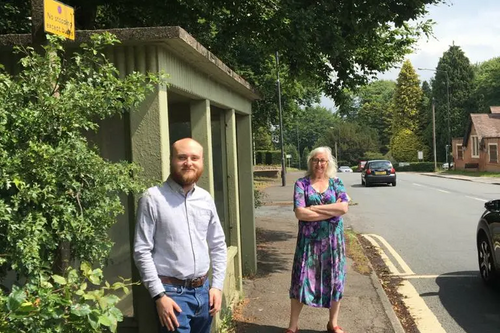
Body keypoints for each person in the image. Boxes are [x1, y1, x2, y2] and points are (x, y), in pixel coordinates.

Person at [133, 138, 227, 333]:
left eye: (195, 158)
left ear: (202, 162)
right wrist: (159, 296)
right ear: (171, 160)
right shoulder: (152, 199)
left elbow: (218, 245)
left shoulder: (205, 199)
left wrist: (217, 286)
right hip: (172, 296)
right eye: (182, 157)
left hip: (204, 293)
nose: (189, 163)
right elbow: (142, 251)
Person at [285, 146, 349, 333]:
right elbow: (299, 212)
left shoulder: (337, 183)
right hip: (308, 243)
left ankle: (333, 323)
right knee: (300, 280)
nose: (319, 164)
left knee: (335, 280)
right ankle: (293, 325)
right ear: (310, 162)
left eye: (323, 161)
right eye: (315, 160)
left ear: (328, 163)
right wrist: (331, 210)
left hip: (333, 243)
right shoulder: (301, 184)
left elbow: (343, 208)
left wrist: (313, 209)